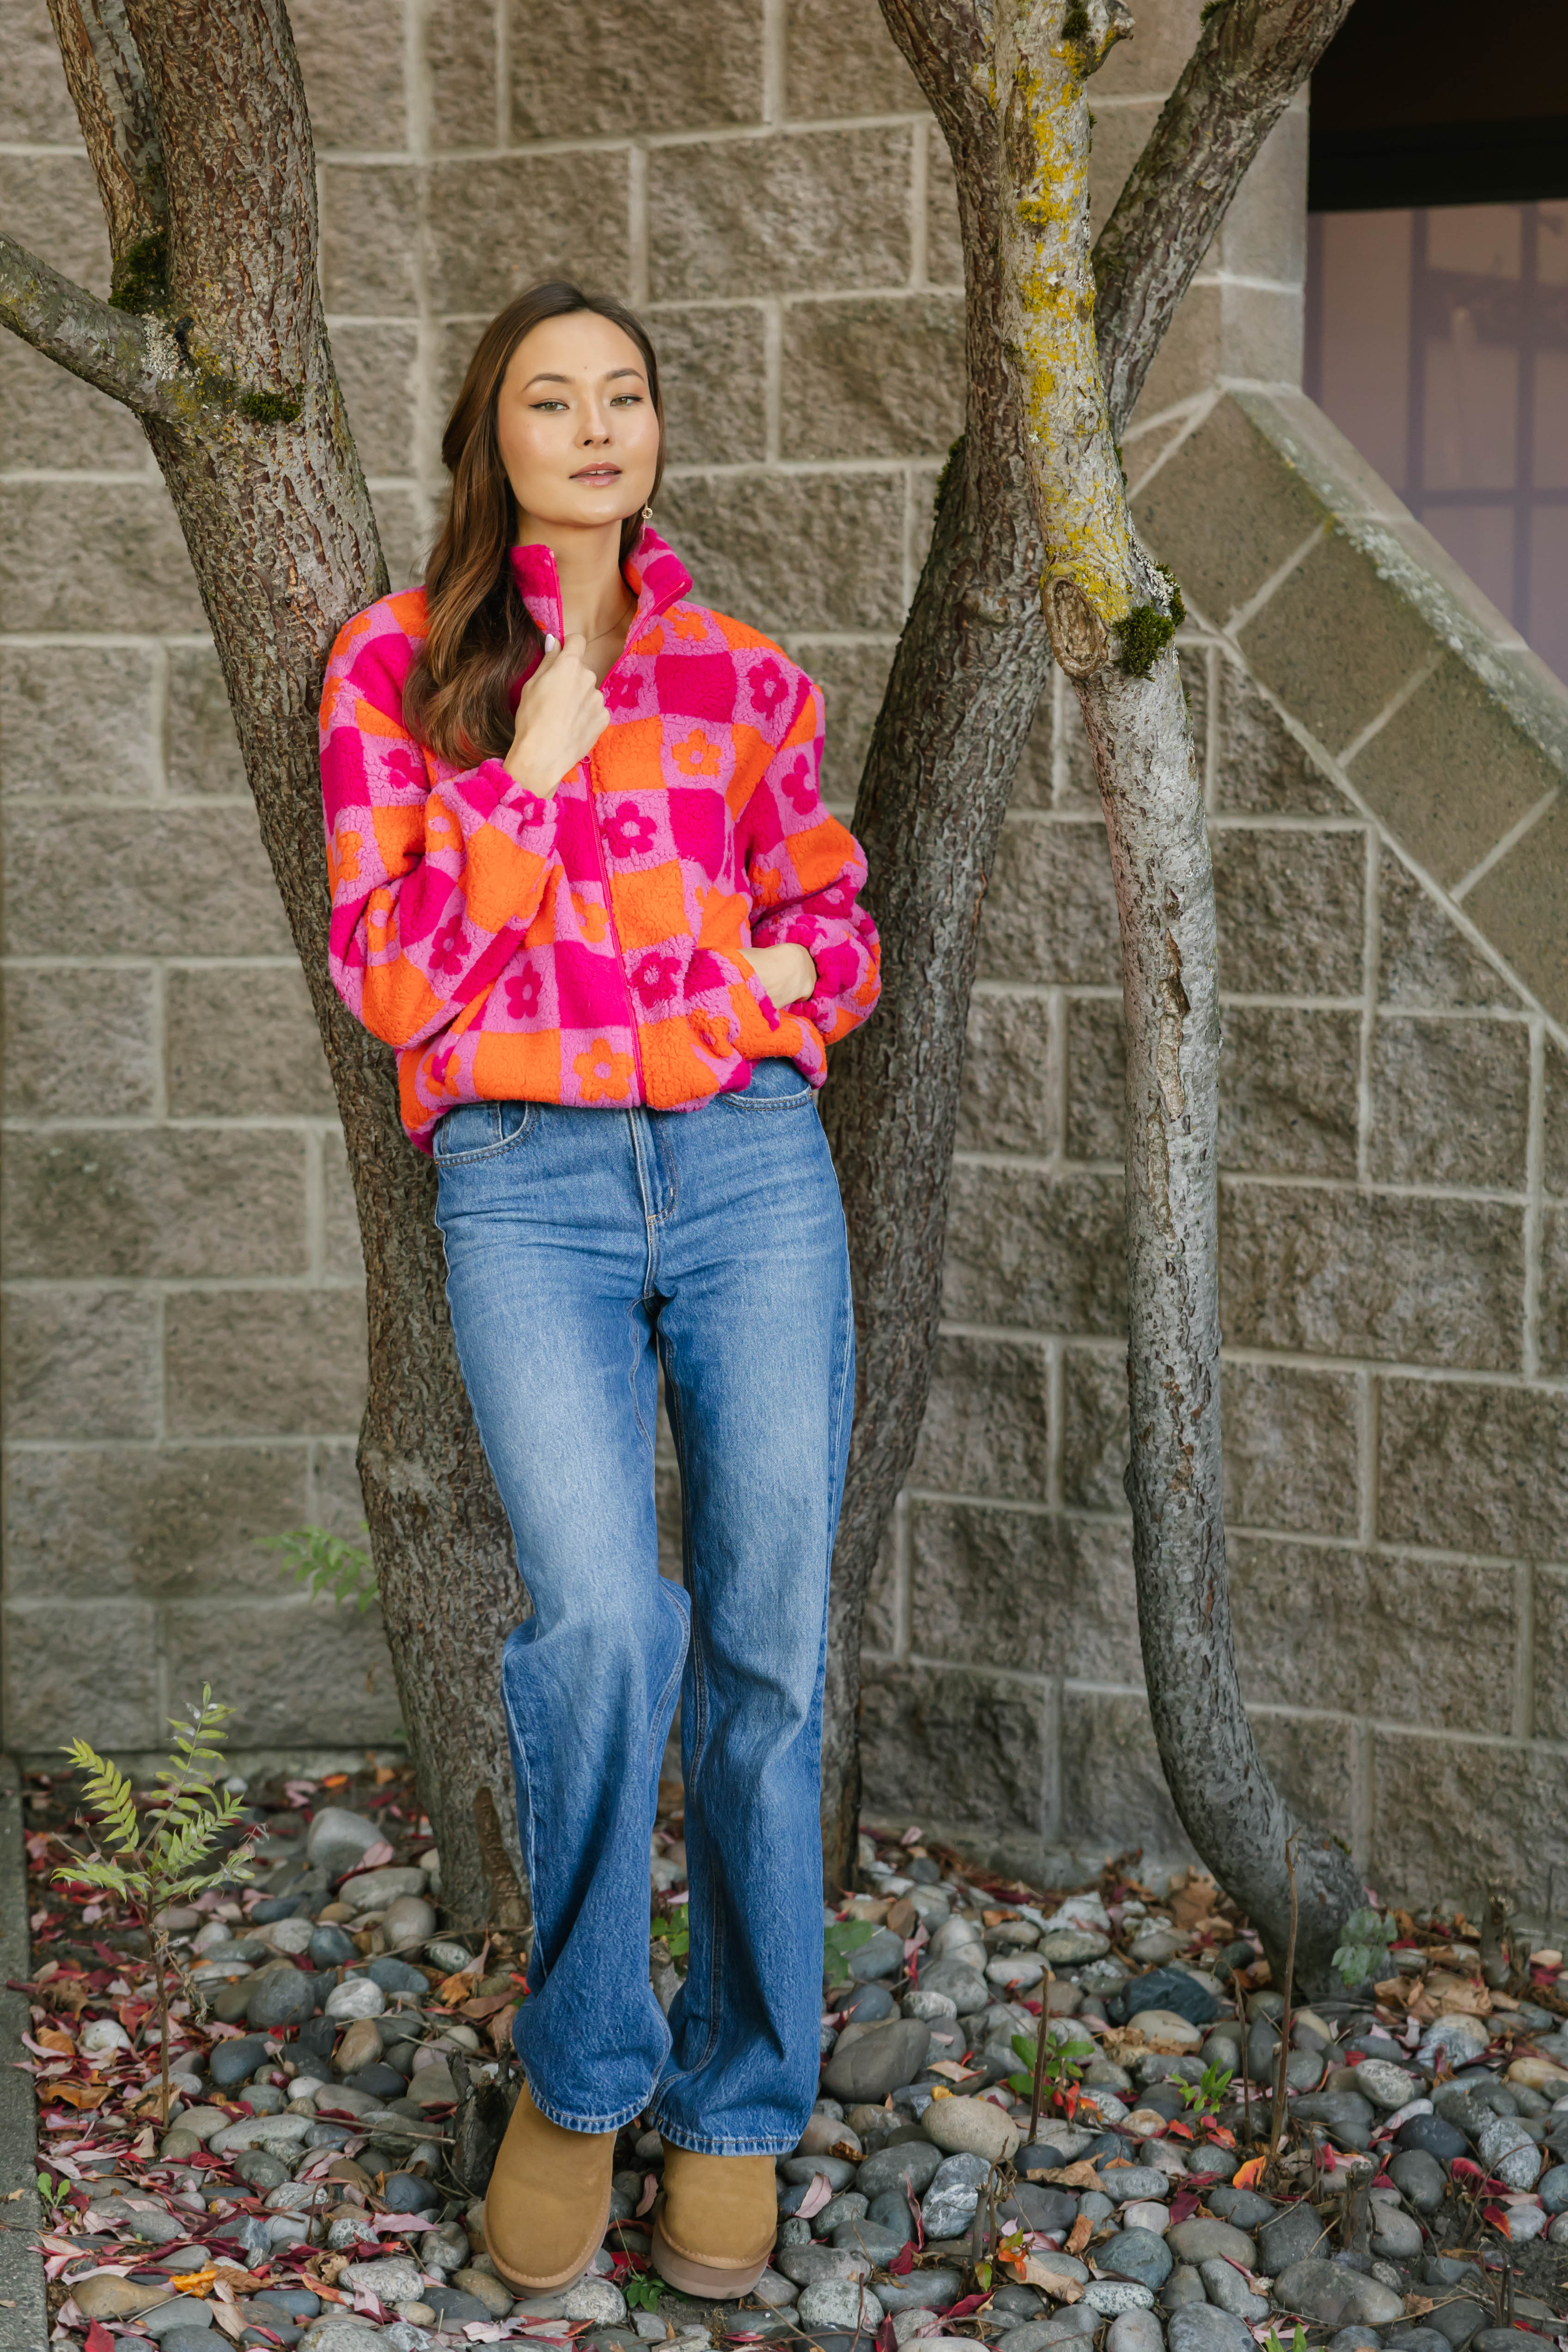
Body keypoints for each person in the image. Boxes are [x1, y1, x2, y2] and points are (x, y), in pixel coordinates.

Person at [319, 281, 880, 2301]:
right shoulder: (395, 663)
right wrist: (528, 778)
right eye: (548, 397)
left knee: (770, 1643)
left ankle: (737, 2101)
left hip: (745, 1171)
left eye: (622, 393)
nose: (591, 424)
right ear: (491, 434)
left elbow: (832, 920)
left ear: (656, 433)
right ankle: (583, 2068)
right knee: (594, 1621)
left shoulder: (745, 673)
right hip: (526, 1185)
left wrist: (751, 998)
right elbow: (393, 975)